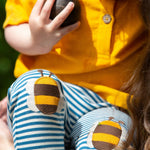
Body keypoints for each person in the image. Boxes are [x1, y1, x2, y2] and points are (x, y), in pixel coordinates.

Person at [2, 0, 150, 149]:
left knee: (108, 137)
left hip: (113, 108)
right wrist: (35, 40)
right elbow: (14, 25)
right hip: (54, 94)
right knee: (33, 86)